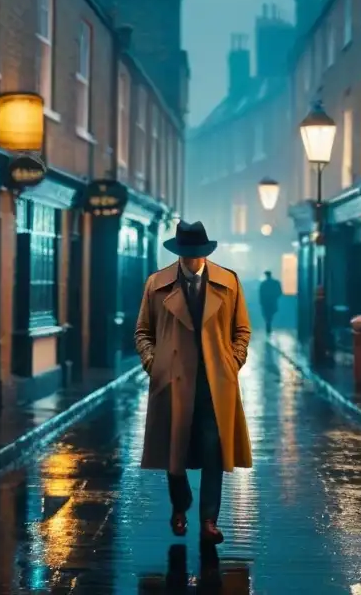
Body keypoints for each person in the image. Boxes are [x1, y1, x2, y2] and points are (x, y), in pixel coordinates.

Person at [134, 220, 253, 545]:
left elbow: (242, 330)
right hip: (172, 380)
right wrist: (154, 363)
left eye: (197, 254)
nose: (192, 260)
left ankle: (209, 521)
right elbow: (142, 331)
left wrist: (233, 361)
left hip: (216, 383)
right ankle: (180, 506)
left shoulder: (228, 282)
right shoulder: (157, 283)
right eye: (186, 254)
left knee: (215, 449)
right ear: (179, 254)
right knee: (175, 451)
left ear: (205, 253)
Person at [258, 270, 282, 335]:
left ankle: (268, 325)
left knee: (267, 315)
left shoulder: (263, 284)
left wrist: (261, 302)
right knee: (271, 314)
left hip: (266, 302)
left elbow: (261, 294)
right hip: (272, 301)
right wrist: (274, 297)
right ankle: (269, 325)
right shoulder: (276, 283)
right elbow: (279, 292)